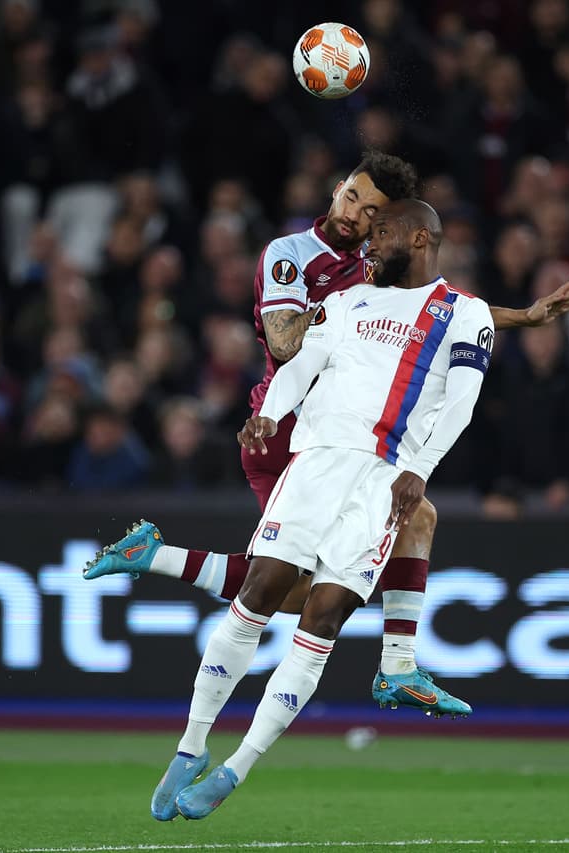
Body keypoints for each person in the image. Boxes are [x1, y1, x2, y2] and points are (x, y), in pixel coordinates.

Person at [82, 152, 569, 715]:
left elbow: (436, 309)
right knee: (288, 588)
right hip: (290, 431)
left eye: (371, 212)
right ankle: (161, 562)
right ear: (337, 188)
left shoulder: (377, 270)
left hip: (351, 437)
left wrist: (521, 316)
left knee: (380, 544)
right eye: (352, 198)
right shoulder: (292, 255)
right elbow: (281, 343)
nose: (355, 215)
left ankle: (397, 665)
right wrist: (348, 304)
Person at [158, 199, 493, 821]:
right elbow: (302, 364)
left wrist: (419, 468)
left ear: (420, 236)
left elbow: (461, 405)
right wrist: (271, 411)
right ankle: (192, 745)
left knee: (324, 619)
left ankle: (237, 768)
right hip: (315, 463)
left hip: (385, 481)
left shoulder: (465, 314)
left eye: (383, 230)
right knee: (259, 593)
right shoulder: (346, 302)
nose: (369, 239)